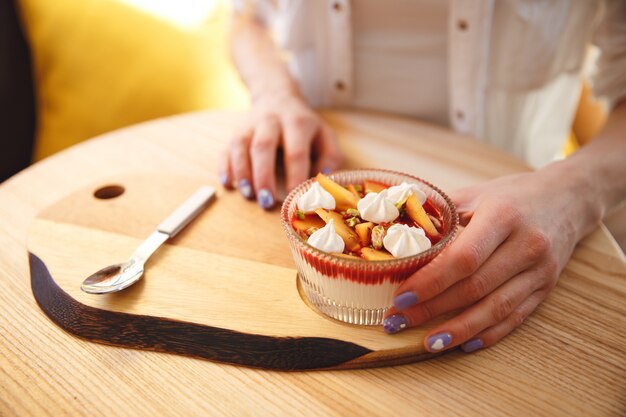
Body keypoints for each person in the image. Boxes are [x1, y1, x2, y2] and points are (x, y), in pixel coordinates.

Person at [218, 1, 626, 354]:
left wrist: (577, 189)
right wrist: (275, 93)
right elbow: (244, 19)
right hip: (323, 167)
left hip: (528, 217)